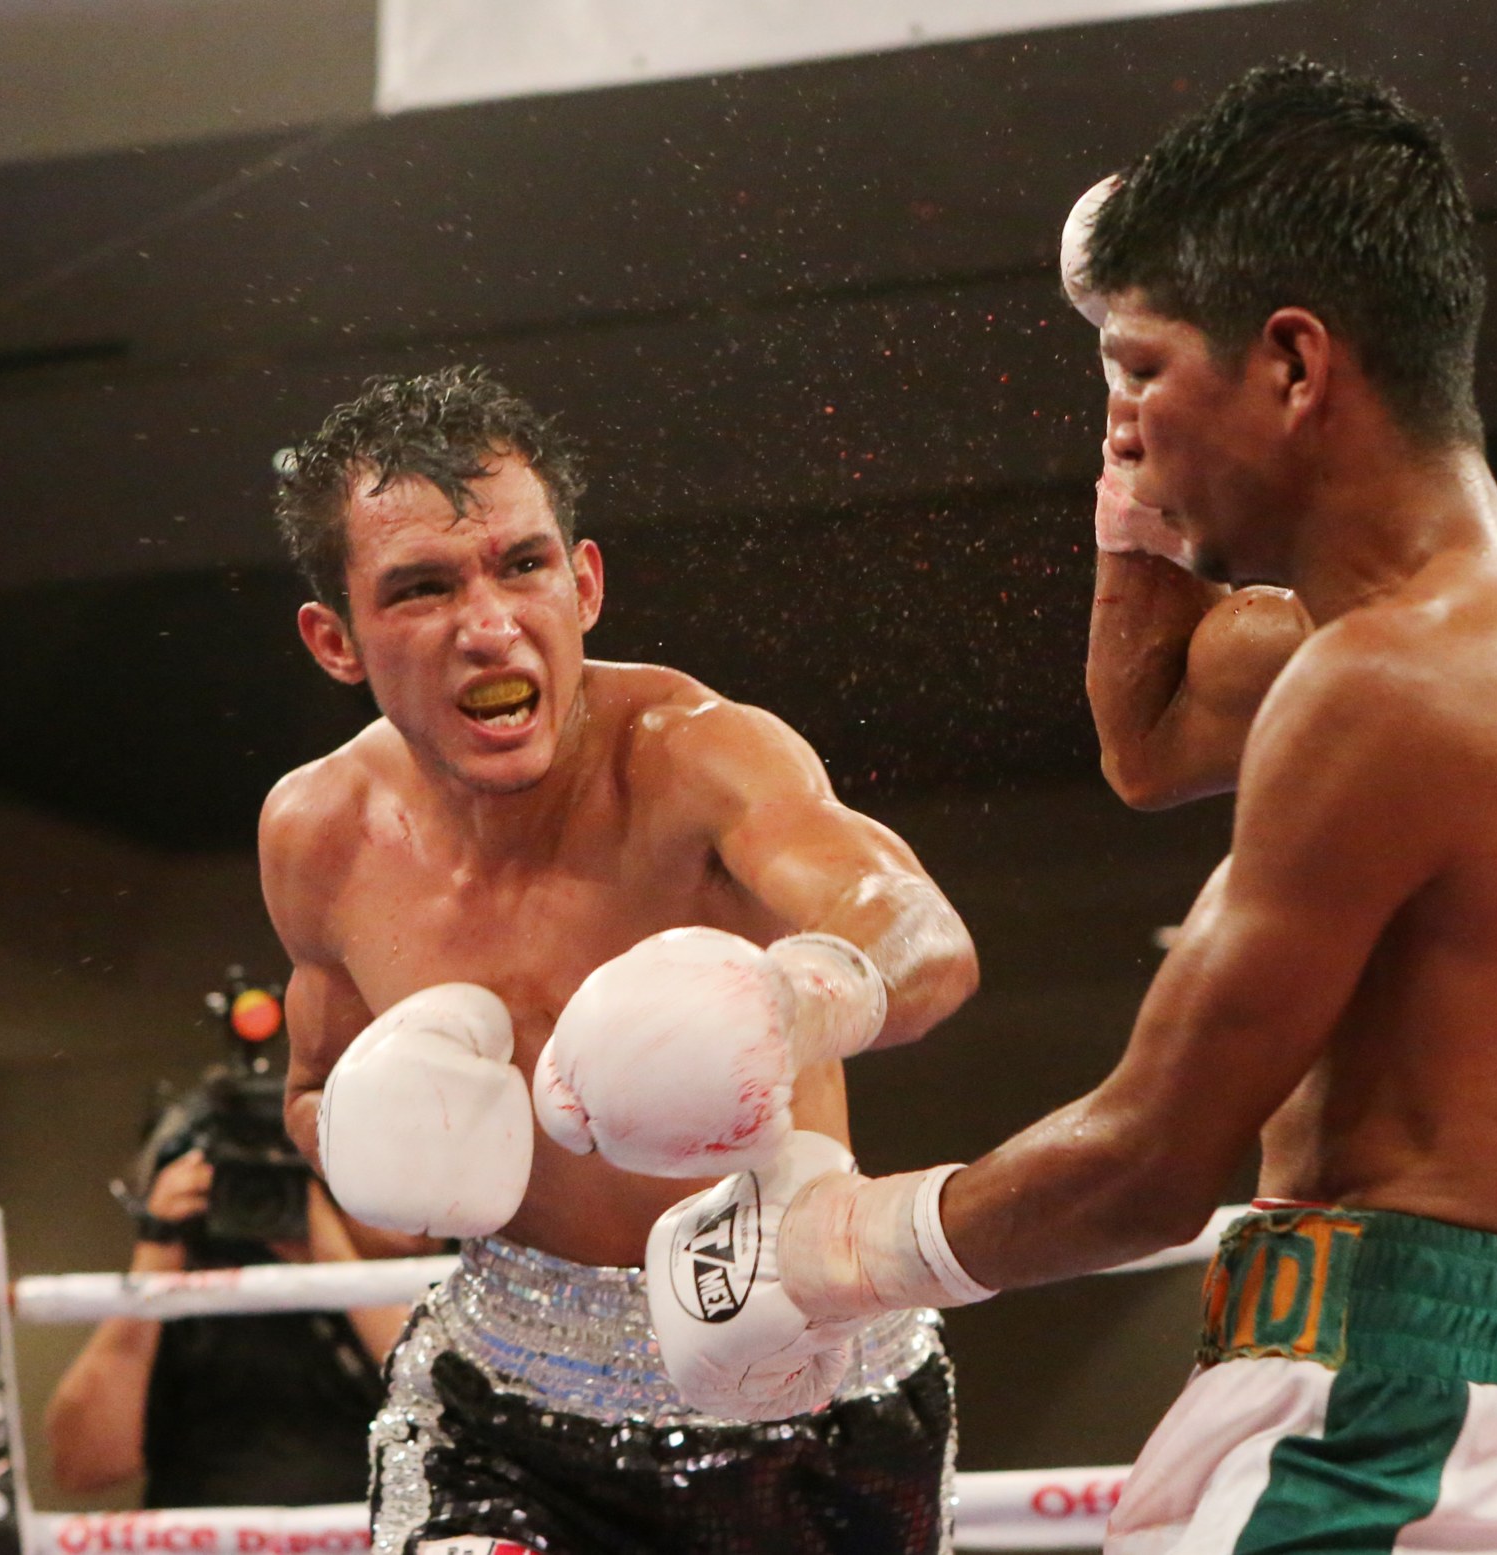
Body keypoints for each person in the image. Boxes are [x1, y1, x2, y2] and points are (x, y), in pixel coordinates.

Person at [645, 60, 1497, 1553]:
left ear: (1293, 364)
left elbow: (1150, 1164)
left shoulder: (1394, 683)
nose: (1127, 422)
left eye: (1146, 373)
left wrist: (829, 1247)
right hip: (1413, 1398)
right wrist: (1142, 474)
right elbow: (1156, 739)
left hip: (1376, 1422)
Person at [259, 367, 979, 1555]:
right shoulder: (319, 834)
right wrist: (361, 1137)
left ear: (583, 583)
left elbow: (920, 934)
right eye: (423, 586)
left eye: (521, 565)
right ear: (336, 639)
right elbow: (311, 1092)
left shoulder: (698, 756)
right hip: (503, 1410)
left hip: (805, 1389)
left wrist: (787, 1002)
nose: (488, 623)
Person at [44, 1144, 409, 1507]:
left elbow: (439, 1391)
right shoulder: (175, 1301)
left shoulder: (419, 1283)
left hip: (366, 1531)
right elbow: (83, 1466)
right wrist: (156, 1252)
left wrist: (335, 1262)